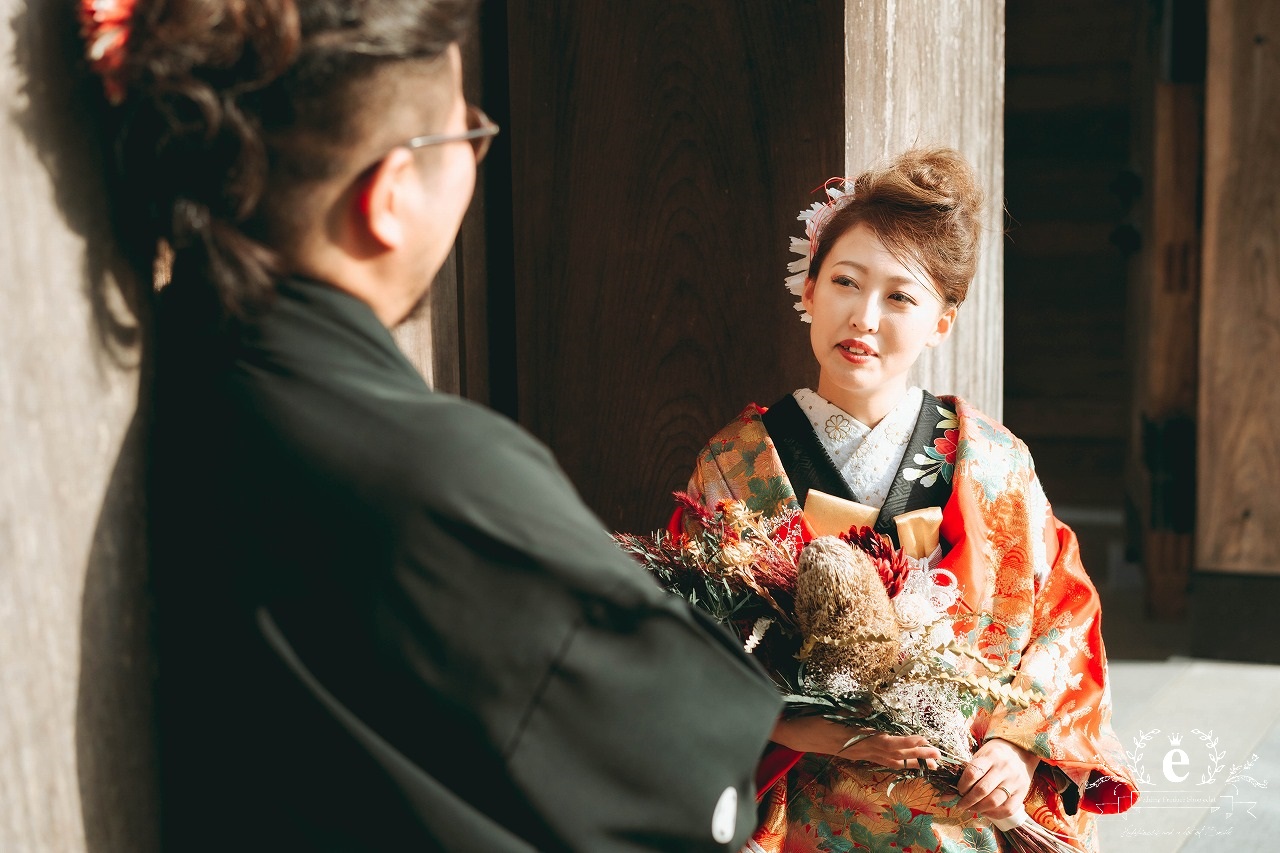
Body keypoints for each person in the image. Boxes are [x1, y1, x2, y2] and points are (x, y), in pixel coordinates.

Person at [78, 0, 782, 849]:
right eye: (468, 135)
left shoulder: (211, 360)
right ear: (393, 191)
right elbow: (684, 772)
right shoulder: (436, 473)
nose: (476, 158)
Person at [677, 149, 1138, 852]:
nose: (863, 317)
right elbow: (683, 645)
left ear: (942, 320)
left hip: (964, 804)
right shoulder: (738, 464)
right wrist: (800, 724)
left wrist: (1019, 749)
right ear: (808, 288)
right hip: (805, 809)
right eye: (844, 281)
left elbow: (1063, 617)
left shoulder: (991, 461)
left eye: (900, 296)